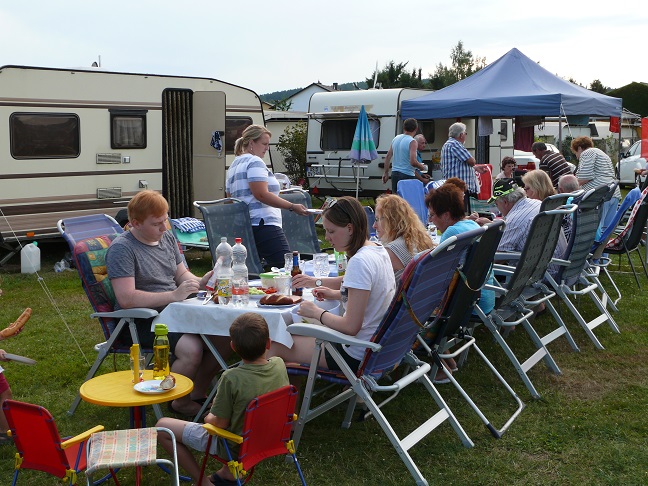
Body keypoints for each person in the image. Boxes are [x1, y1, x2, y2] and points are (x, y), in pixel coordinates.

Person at [107, 190, 231, 416]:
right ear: (135, 223)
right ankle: (179, 401)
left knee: (225, 337)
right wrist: (174, 295)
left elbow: (181, 274)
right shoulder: (122, 249)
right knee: (191, 349)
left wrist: (200, 282)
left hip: (175, 312)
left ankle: (197, 392)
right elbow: (126, 299)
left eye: (165, 220)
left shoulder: (167, 238)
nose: (164, 228)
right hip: (140, 320)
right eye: (156, 224)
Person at [157, 313, 289, 486]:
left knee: (162, 427)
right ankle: (227, 475)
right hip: (268, 438)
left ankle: (203, 482)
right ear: (269, 343)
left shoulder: (232, 378)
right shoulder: (279, 364)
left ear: (233, 347)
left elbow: (219, 423)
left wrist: (208, 417)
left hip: (235, 444)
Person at [269, 196, 395, 373]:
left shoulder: (360, 261)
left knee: (274, 344)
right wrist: (338, 293)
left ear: (350, 228)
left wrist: (316, 312)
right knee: (292, 335)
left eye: (331, 231)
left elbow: (351, 327)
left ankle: (273, 389)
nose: (327, 237)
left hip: (355, 352)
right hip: (379, 348)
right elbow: (372, 293)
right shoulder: (377, 249)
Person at [425, 183, 495, 382]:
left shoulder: (451, 234)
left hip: (466, 305)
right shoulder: (472, 226)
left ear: (446, 215)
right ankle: (448, 361)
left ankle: (441, 367)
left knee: (417, 304)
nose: (430, 220)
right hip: (482, 298)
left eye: (432, 215)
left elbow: (438, 275)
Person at [226, 124, 309, 269]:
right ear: (251, 143)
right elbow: (261, 194)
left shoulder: (234, 164)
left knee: (257, 270)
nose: (267, 148)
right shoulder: (255, 162)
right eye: (264, 144)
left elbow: (230, 199)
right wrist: (291, 206)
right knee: (285, 267)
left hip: (245, 226)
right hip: (263, 223)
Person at [485, 179, 567, 259]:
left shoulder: (514, 220)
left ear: (505, 202)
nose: (498, 208)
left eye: (496, 204)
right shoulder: (537, 203)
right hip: (558, 261)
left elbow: (498, 258)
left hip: (544, 266)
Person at [373, 194, 434, 284]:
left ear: (392, 220)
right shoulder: (418, 239)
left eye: (378, 219)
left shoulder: (392, 251)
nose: (374, 225)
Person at [571, 136, 621, 240]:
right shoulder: (602, 153)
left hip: (600, 195)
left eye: (575, 153)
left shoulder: (587, 153)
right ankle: (603, 250)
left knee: (597, 230)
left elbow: (585, 177)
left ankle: (594, 251)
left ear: (579, 148)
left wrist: (570, 185)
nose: (577, 157)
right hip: (613, 193)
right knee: (606, 231)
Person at [440, 122, 486, 198]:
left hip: (454, 188)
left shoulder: (448, 144)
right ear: (461, 135)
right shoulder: (454, 144)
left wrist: (475, 168)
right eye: (465, 133)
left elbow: (457, 165)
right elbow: (472, 161)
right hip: (459, 189)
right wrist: (473, 165)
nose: (466, 136)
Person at [382, 118, 427, 193]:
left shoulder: (396, 138)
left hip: (395, 173)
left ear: (404, 127)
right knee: (407, 198)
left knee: (396, 198)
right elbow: (413, 162)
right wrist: (421, 167)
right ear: (416, 129)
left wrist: (386, 172)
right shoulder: (412, 141)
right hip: (407, 174)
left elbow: (388, 156)